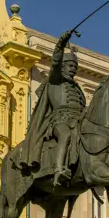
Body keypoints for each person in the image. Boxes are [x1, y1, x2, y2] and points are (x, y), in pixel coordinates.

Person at [16, 30, 86, 186]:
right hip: (59, 120)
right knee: (66, 135)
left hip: (78, 121)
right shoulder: (55, 80)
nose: (72, 69)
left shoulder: (77, 87)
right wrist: (61, 43)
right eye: (69, 65)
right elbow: (54, 62)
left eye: (74, 66)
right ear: (62, 67)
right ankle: (59, 170)